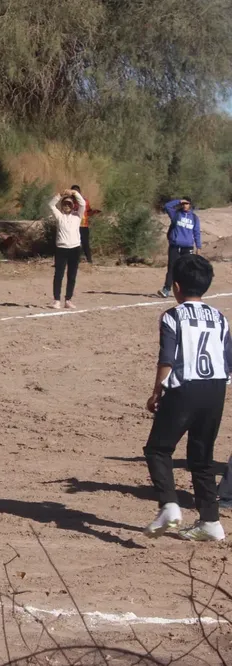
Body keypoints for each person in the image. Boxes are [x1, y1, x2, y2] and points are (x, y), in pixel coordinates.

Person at [143, 254, 231, 541]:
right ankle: (210, 522)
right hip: (216, 389)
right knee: (202, 458)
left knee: (158, 449)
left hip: (184, 388)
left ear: (177, 286)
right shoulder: (220, 317)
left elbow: (166, 359)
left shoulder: (172, 315)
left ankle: (169, 504)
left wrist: (157, 391)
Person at [48, 188, 85, 309]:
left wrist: (74, 193)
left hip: (74, 249)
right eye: (65, 204)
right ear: (62, 206)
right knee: (58, 275)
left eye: (69, 204)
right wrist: (60, 195)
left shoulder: (77, 216)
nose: (67, 206)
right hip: (61, 249)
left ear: (73, 205)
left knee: (72, 275)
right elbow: (51, 204)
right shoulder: (59, 216)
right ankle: (56, 300)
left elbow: (83, 203)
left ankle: (68, 299)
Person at [158, 197, 201, 298]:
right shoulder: (176, 215)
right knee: (172, 268)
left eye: (186, 203)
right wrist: (179, 201)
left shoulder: (194, 218)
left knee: (186, 269)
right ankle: (166, 289)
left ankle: (186, 290)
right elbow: (167, 206)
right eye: (183, 204)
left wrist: (198, 247)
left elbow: (197, 233)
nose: (184, 205)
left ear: (190, 204)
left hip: (188, 247)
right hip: (175, 246)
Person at [71, 184, 101, 264]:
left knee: (85, 243)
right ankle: (74, 260)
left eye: (77, 192)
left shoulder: (85, 201)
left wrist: (94, 212)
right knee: (74, 243)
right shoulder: (69, 202)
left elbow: (88, 212)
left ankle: (89, 260)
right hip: (73, 226)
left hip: (84, 225)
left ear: (80, 192)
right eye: (74, 192)